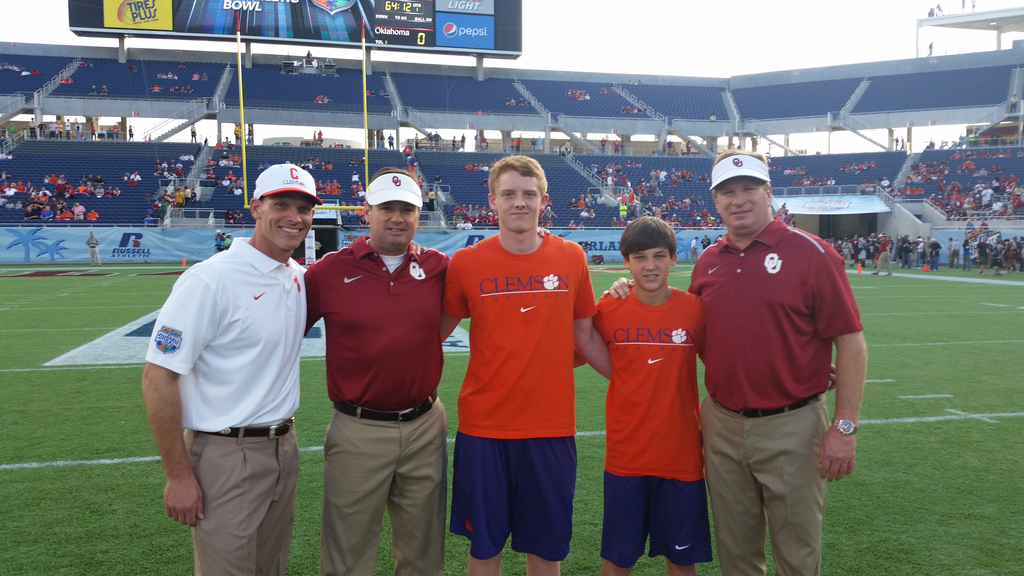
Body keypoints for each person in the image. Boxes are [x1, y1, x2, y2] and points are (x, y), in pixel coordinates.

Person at [610, 151, 866, 576]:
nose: (739, 199)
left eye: (749, 188)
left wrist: (844, 427)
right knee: (736, 555)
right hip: (722, 424)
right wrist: (625, 287)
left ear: (768, 193)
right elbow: (688, 328)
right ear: (716, 200)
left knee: (797, 556)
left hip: (792, 424)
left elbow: (851, 340)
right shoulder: (710, 260)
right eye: (727, 191)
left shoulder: (812, 252)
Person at [140, 163, 320, 576]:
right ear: (256, 207)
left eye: (304, 209)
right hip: (224, 452)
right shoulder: (210, 279)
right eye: (281, 205)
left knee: (271, 565)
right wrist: (178, 475)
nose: (295, 217)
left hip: (283, 446)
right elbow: (158, 378)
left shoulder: (297, 276)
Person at [439, 155, 608, 575]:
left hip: (550, 428)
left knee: (546, 550)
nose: (520, 202)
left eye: (528, 194)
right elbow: (432, 335)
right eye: (509, 194)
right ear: (492, 201)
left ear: (543, 200)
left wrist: (634, 379)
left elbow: (585, 336)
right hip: (484, 429)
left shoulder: (570, 257)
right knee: (484, 548)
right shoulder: (466, 263)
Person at [305, 168, 450, 576]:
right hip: (358, 428)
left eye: (407, 209)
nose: (397, 217)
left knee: (423, 551)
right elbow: (278, 331)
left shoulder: (440, 267)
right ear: (366, 211)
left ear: (419, 216)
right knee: (347, 552)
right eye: (387, 207)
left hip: (425, 424)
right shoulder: (327, 272)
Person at [591, 217, 713, 576]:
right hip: (626, 457)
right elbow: (574, 348)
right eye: (640, 257)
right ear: (626, 262)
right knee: (617, 561)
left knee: (682, 560)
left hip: (682, 457)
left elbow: (730, 361)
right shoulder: (609, 308)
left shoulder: (695, 309)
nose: (650, 266)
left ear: (674, 259)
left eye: (659, 256)